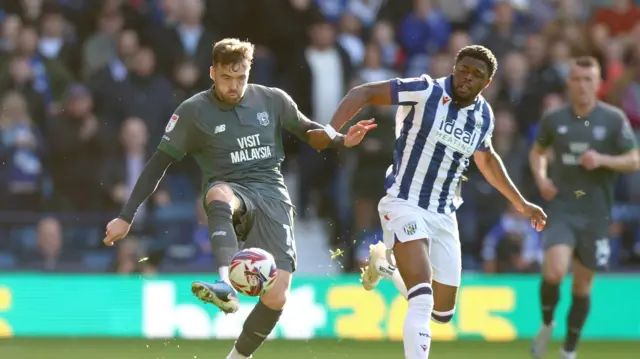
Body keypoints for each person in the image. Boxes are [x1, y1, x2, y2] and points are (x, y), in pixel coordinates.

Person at [102, 38, 375, 359]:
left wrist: (343, 139)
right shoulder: (192, 111)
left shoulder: (272, 100)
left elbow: (310, 134)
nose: (234, 86)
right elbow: (157, 164)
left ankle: (237, 357)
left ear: (249, 71)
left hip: (272, 195)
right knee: (218, 193)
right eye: (226, 78)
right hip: (232, 190)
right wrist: (126, 215)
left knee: (277, 296)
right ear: (212, 73)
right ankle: (225, 284)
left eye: (241, 77)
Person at [309, 45, 547, 359]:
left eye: (477, 75)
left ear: (487, 83)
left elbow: (487, 160)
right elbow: (363, 92)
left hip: (444, 214)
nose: (467, 77)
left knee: (442, 313)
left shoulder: (483, 115)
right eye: (463, 69)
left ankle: (384, 264)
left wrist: (521, 202)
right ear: (454, 66)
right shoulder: (425, 90)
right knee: (422, 297)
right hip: (404, 202)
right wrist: (328, 131)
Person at [529, 56, 640, 359]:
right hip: (563, 206)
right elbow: (537, 152)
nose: (582, 85)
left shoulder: (613, 119)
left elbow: (634, 159)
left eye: (588, 79)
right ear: (569, 83)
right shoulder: (554, 118)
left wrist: (603, 160)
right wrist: (541, 178)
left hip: (596, 213)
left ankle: (569, 349)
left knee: (582, 285)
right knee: (554, 270)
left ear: (598, 82)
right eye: (576, 79)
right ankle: (547, 322)